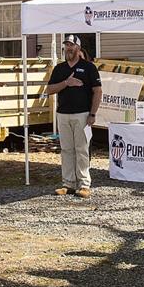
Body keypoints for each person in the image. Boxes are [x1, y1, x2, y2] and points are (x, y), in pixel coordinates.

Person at [43, 34, 102, 198]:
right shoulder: (60, 68)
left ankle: (84, 184)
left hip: (83, 114)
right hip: (63, 114)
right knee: (66, 149)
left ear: (78, 48)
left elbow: (97, 91)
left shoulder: (89, 67)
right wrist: (66, 83)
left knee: (81, 149)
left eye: (71, 45)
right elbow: (49, 90)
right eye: (66, 45)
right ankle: (68, 183)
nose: (68, 48)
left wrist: (92, 113)